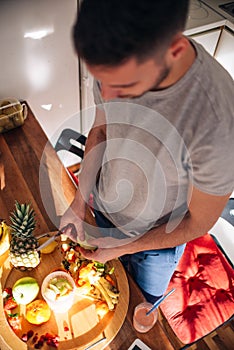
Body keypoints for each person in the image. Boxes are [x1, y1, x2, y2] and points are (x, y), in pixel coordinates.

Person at [60, 0, 234, 303]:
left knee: (141, 309)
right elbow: (101, 131)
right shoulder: (115, 51)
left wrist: (125, 247)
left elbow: (199, 222)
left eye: (125, 83)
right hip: (103, 210)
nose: (108, 94)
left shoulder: (216, 122)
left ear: (175, 50)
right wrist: (78, 201)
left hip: (158, 242)